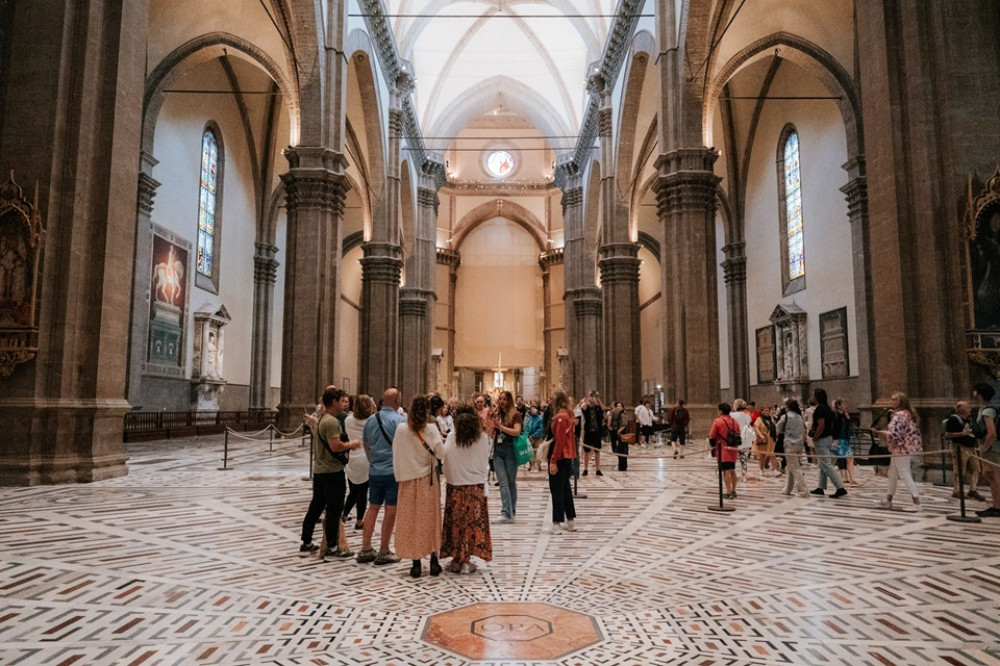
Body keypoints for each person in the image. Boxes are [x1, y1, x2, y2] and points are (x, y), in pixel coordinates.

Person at [299, 387, 361, 558]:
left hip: (320, 470)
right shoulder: (331, 422)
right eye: (342, 400)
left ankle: (306, 541)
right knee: (334, 509)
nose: (344, 404)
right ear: (334, 402)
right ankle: (333, 547)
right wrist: (352, 444)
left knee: (316, 506)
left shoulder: (322, 419)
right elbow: (335, 446)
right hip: (332, 471)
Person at [392, 394, 445, 578]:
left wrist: (401, 475)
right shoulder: (431, 429)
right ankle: (434, 561)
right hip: (426, 481)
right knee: (429, 519)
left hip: (407, 481)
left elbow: (396, 454)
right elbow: (440, 453)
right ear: (428, 410)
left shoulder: (401, 429)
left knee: (411, 520)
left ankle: (415, 563)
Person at [441, 405, 493, 573]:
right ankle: (466, 559)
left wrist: (450, 478)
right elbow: (485, 461)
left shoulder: (451, 437)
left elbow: (446, 460)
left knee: (456, 524)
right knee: (471, 524)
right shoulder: (483, 438)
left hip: (455, 486)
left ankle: (457, 558)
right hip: (475, 487)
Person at [356, 388, 405, 566]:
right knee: (391, 510)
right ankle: (384, 550)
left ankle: (366, 548)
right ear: (397, 402)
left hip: (375, 470)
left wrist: (374, 461)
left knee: (373, 507)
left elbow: (366, 444)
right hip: (392, 472)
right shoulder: (400, 421)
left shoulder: (370, 420)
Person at [873, 391, 922, 511]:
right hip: (902, 448)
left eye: (895, 400)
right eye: (891, 399)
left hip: (901, 448)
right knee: (893, 473)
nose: (892, 402)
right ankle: (888, 500)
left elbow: (895, 433)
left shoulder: (899, 415)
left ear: (901, 401)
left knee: (904, 473)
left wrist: (879, 432)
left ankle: (917, 503)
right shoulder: (906, 413)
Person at [809, 388, 848, 498]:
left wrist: (815, 437)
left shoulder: (820, 409)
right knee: (822, 464)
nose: (812, 397)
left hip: (822, 439)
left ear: (817, 396)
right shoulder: (827, 408)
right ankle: (821, 487)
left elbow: (821, 425)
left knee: (827, 465)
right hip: (828, 438)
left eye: (813, 394)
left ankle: (840, 488)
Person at [547, 391, 578, 531]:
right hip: (567, 455)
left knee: (557, 489)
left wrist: (553, 460)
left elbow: (560, 441)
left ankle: (556, 523)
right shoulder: (569, 415)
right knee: (565, 488)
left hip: (560, 456)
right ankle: (570, 521)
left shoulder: (561, 417)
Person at [343, 394, 373, 531]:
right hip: (366, 459)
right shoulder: (371, 421)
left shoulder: (348, 420)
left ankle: (343, 514)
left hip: (352, 458)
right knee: (362, 493)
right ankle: (360, 521)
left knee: (353, 491)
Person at [491, 390, 523, 522]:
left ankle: (511, 512)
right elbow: (490, 431)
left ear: (509, 400)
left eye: (504, 399)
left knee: (510, 483)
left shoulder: (515, 415)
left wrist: (501, 427)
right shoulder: (497, 414)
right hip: (498, 450)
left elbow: (516, 432)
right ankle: (506, 512)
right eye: (500, 399)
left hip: (510, 450)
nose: (501, 401)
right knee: (503, 482)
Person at [944, 399, 983, 501]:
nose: (970, 409)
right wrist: (961, 434)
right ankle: (957, 491)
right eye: (967, 407)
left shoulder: (968, 419)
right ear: (960, 409)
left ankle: (973, 490)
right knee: (959, 470)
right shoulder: (954, 419)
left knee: (976, 469)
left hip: (971, 448)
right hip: (959, 447)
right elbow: (948, 434)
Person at [972, 383, 1000, 518]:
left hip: (992, 449)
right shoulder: (987, 408)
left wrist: (984, 448)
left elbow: (992, 433)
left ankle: (997, 507)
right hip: (993, 448)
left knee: (992, 476)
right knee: (992, 476)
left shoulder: (987, 411)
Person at [708, 403, 740, 498]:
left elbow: (712, 436)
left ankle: (728, 492)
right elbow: (738, 433)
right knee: (732, 470)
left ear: (721, 411)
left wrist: (713, 447)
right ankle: (734, 490)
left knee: (725, 471)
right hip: (733, 448)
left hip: (723, 449)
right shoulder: (735, 421)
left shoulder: (718, 421)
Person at [777, 398, 808, 496]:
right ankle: (788, 488)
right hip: (799, 445)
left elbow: (778, 429)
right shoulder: (799, 417)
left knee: (794, 467)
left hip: (789, 445)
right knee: (791, 466)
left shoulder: (785, 417)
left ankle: (803, 490)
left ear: (788, 407)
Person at [581, 392, 605, 476]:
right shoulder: (586, 408)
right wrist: (587, 399)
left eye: (593, 397)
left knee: (597, 451)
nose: (592, 398)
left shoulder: (598, 408)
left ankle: (598, 469)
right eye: (591, 397)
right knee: (586, 451)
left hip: (596, 431)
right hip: (588, 431)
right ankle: (585, 469)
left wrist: (598, 398)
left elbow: (603, 408)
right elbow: (583, 407)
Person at [833, 398, 857, 485]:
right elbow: (835, 428)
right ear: (838, 405)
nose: (845, 406)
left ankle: (849, 478)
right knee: (845, 458)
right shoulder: (836, 416)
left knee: (848, 458)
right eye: (843, 404)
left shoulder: (843, 416)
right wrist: (835, 439)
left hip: (845, 439)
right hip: (839, 439)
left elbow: (846, 427)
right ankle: (846, 477)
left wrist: (847, 418)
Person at [752, 405, 777, 476]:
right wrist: (760, 435)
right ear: (762, 411)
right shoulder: (759, 419)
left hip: (770, 439)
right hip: (763, 439)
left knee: (772, 454)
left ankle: (775, 470)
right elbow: (756, 427)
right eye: (765, 411)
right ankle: (761, 469)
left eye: (768, 410)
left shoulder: (770, 419)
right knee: (762, 455)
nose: (767, 412)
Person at [522, 401, 544, 471]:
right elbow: (526, 427)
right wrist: (528, 435)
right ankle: (531, 465)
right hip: (530, 437)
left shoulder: (540, 418)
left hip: (537, 437)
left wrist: (534, 435)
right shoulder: (529, 418)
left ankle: (538, 465)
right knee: (530, 452)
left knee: (538, 452)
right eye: (531, 409)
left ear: (537, 410)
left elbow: (540, 429)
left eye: (534, 409)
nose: (532, 410)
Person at [607, 401, 628, 471]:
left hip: (623, 434)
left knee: (623, 450)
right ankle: (621, 466)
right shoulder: (619, 414)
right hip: (620, 434)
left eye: (620, 406)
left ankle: (623, 466)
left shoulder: (622, 414)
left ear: (622, 407)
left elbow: (624, 425)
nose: (618, 407)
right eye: (617, 406)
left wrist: (618, 431)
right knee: (620, 450)